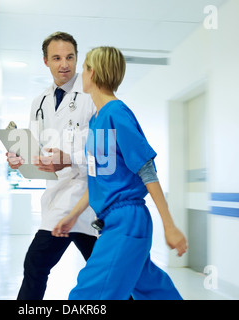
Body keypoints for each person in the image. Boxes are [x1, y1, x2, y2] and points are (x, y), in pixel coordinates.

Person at [52, 46, 188, 300]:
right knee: (152, 289)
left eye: (84, 68)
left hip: (127, 220)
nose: (81, 73)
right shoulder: (97, 120)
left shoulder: (116, 113)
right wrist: (72, 216)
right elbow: (99, 180)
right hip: (114, 220)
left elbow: (147, 169)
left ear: (92, 73)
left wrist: (170, 226)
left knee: (89, 294)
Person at [6, 32, 98, 300]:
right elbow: (37, 153)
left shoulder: (93, 97)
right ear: (45, 61)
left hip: (88, 199)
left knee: (40, 265)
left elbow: (106, 152)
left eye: (70, 57)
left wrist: (69, 158)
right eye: (57, 58)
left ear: (78, 59)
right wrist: (18, 159)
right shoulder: (40, 103)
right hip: (56, 200)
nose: (64, 64)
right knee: (38, 266)